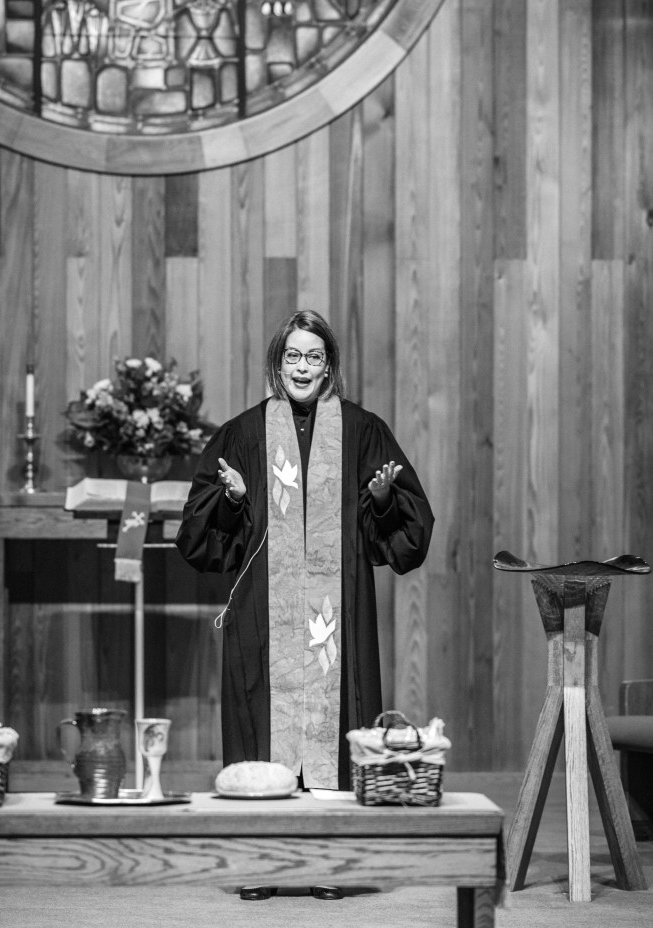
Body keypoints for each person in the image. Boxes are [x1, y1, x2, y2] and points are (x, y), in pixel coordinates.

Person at [176, 310, 434, 899]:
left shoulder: (364, 431)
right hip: (263, 613)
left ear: (329, 367)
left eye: (313, 356)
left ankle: (328, 865)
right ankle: (261, 867)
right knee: (259, 720)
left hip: (334, 613)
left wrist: (381, 499)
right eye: (292, 355)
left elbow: (406, 533)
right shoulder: (242, 434)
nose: (302, 366)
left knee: (335, 723)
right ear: (277, 362)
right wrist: (234, 499)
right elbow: (198, 533)